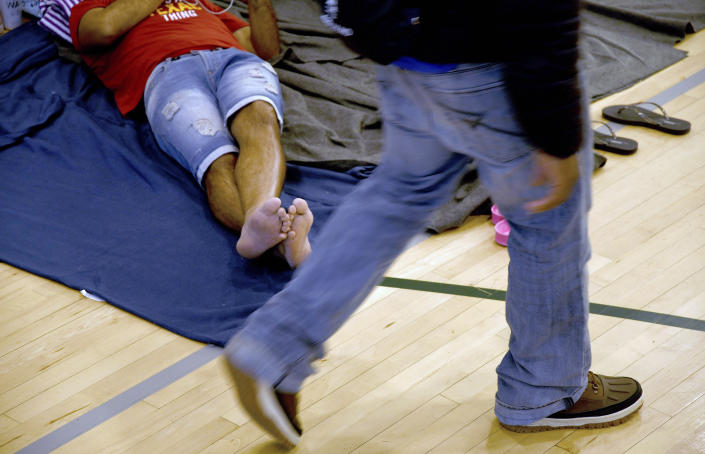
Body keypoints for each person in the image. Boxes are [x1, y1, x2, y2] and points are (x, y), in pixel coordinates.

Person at [223, 0, 644, 448]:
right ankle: (547, 390)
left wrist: (370, 31)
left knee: (395, 194)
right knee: (547, 221)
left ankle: (273, 345)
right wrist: (556, 133)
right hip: (486, 63)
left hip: (406, 57)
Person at [59, 0, 313, 267]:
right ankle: (280, 244)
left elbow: (265, 48)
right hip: (168, 70)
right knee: (217, 158)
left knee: (261, 122)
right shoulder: (94, 6)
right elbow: (102, 29)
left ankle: (262, 225)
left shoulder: (202, 4)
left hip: (233, 59)